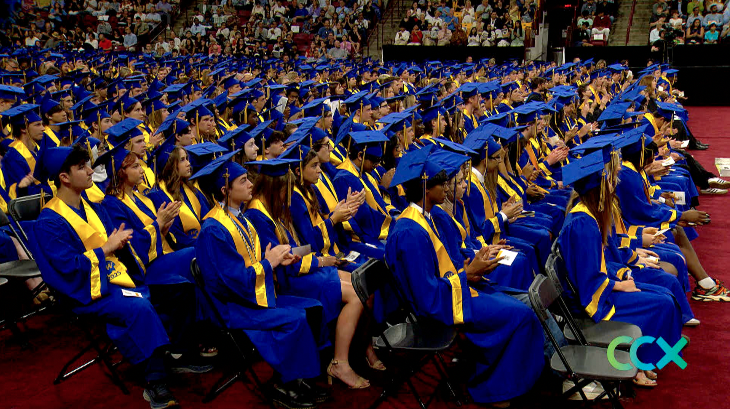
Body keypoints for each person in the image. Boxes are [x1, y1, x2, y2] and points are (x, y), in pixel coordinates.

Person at [385, 145, 545, 406]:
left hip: (455, 291)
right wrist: (467, 274)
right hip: (442, 307)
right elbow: (427, 298)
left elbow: (443, 269)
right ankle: (496, 393)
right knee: (521, 316)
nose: (447, 189)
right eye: (442, 184)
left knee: (523, 302)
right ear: (427, 188)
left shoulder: (426, 218)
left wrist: (472, 267)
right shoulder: (409, 232)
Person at [32, 145, 180, 408]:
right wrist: (107, 248)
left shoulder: (93, 207)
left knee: (170, 288)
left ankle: (166, 353)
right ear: (64, 178)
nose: (91, 171)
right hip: (85, 290)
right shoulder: (49, 221)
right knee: (139, 305)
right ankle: (155, 380)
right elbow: (67, 267)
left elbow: (121, 242)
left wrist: (154, 230)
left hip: (114, 277)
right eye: (82, 167)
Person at [193, 152, 327, 409]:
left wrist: (277, 260)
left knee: (313, 307)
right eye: (243, 181)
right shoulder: (213, 230)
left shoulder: (237, 216)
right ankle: (283, 385)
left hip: (251, 294)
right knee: (295, 319)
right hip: (233, 306)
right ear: (225, 190)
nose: (251, 185)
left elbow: (249, 261)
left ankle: (294, 375)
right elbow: (230, 283)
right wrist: (269, 264)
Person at [245, 157, 377, 388]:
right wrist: (319, 262)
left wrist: (318, 258)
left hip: (303, 270)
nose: (289, 196)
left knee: (364, 284)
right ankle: (339, 363)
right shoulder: (258, 214)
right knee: (357, 294)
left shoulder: (272, 208)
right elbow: (285, 261)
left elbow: (296, 248)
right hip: (288, 281)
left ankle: (358, 348)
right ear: (276, 188)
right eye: (286, 190)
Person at [558, 149, 685, 388]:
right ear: (599, 187)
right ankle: (636, 364)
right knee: (661, 303)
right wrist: (620, 285)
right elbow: (588, 283)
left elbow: (600, 263)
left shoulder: (589, 213)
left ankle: (643, 358)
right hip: (590, 301)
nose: (614, 183)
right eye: (610, 179)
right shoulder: (583, 223)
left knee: (664, 295)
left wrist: (622, 273)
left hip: (600, 286)